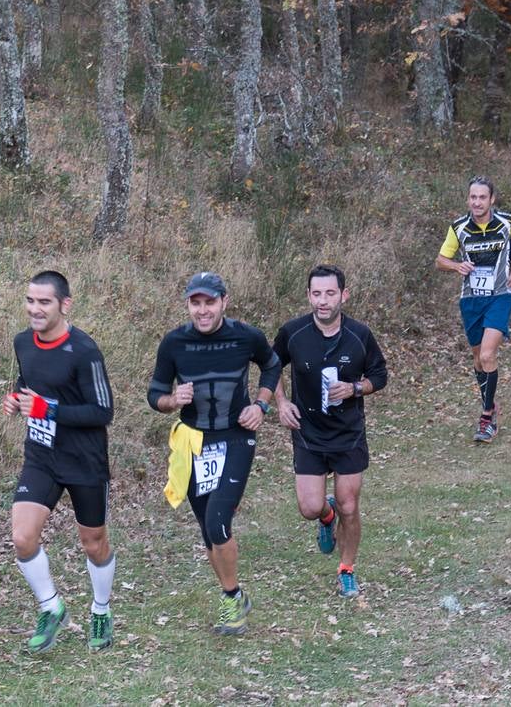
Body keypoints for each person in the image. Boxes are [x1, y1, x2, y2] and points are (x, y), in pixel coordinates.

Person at [148, 272, 280, 635]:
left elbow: (271, 364)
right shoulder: (174, 343)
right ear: (188, 304)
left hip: (237, 437)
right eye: (196, 303)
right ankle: (232, 595)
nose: (202, 310)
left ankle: (231, 598)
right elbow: (155, 393)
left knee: (218, 522)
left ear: (225, 301)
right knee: (209, 531)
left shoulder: (246, 336)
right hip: (193, 442)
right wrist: (172, 400)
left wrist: (261, 405)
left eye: (209, 302)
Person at [1, 270, 116, 654]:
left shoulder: (84, 350)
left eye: (44, 302)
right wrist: (16, 400)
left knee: (93, 543)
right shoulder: (22, 342)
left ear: (65, 304)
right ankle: (51, 608)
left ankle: (101, 610)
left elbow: (103, 411)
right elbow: (28, 384)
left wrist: (47, 409)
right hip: (41, 455)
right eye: (30, 300)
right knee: (22, 537)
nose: (35, 309)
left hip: (84, 460)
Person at [272, 265, 388, 599]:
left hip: (348, 433)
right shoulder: (292, 332)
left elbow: (379, 376)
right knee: (309, 508)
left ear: (343, 295)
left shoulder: (359, 334)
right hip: (308, 432)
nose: (323, 301)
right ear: (309, 295)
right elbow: (271, 366)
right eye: (317, 294)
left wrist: (354, 388)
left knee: (350, 505)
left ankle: (347, 569)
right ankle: (327, 515)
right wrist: (280, 403)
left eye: (330, 293)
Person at [435, 175, 511, 443]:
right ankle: (490, 402)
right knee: (478, 359)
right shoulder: (458, 228)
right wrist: (456, 266)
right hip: (471, 300)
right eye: (473, 197)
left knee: (488, 355)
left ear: (492, 199)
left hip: (500, 296)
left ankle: (487, 417)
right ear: (468, 199)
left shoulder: (507, 222)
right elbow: (440, 260)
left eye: (482, 197)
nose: (477, 202)